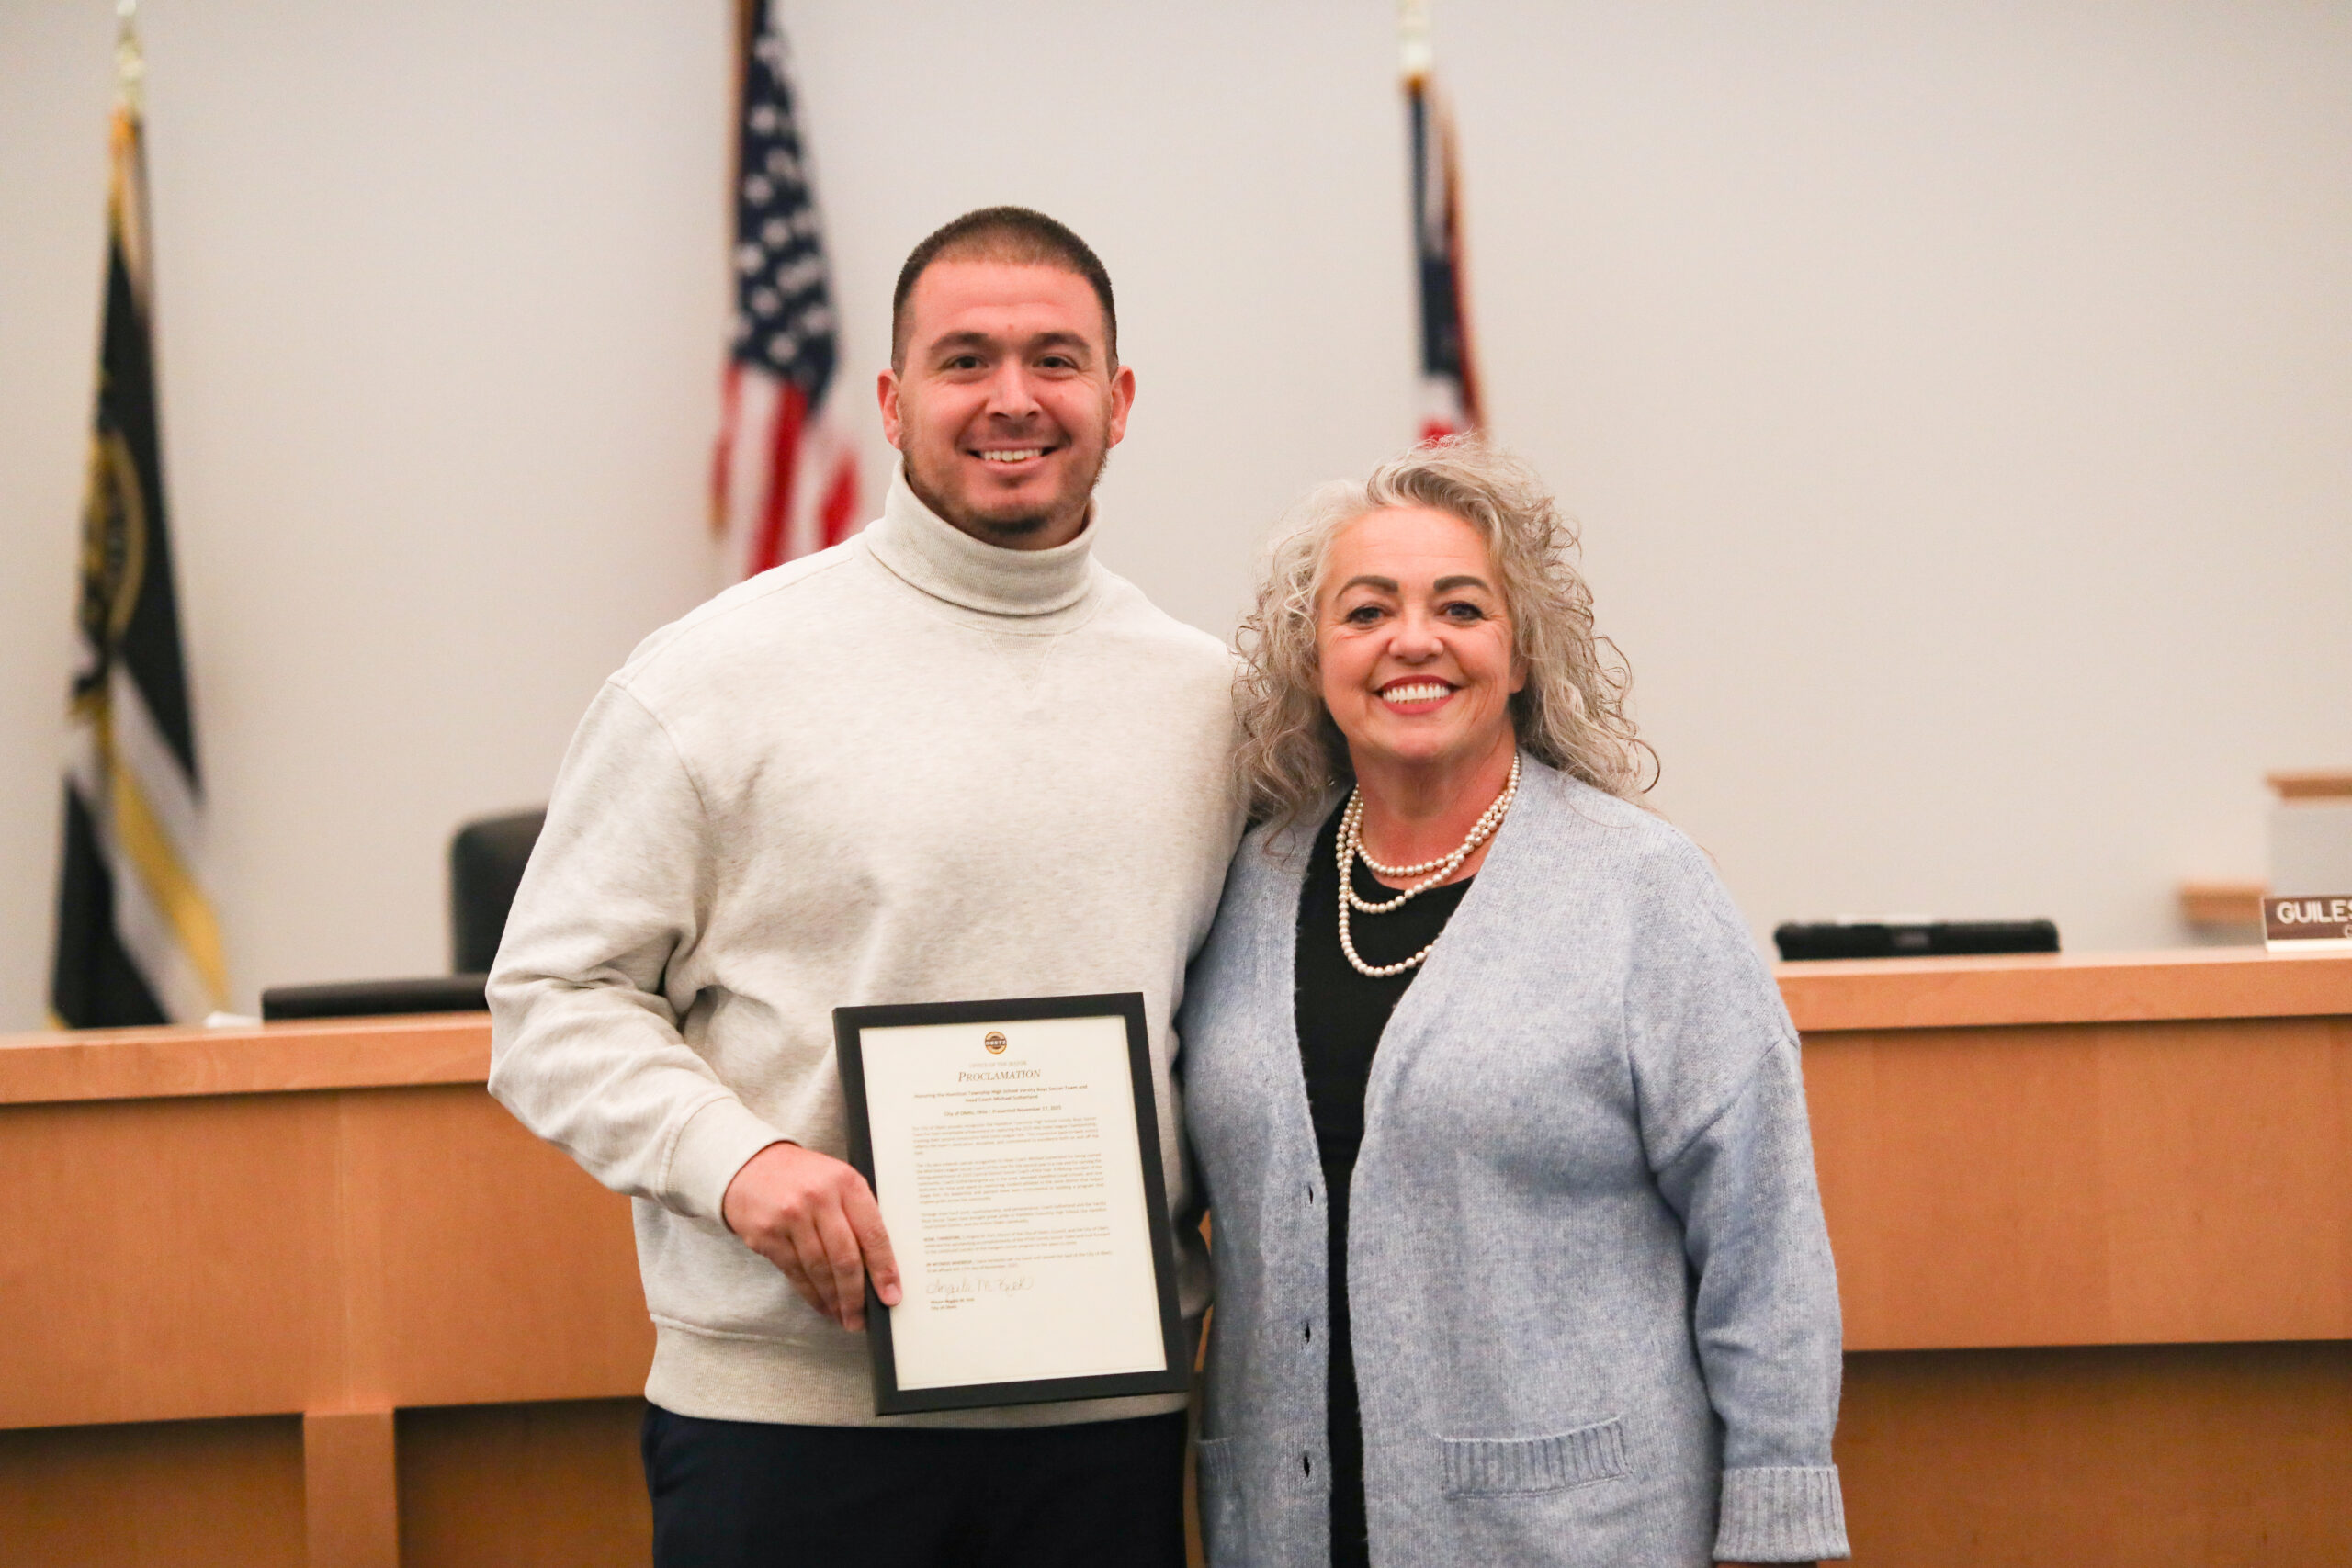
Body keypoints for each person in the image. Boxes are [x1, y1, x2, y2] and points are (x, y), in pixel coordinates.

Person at [488, 207, 1242, 1568]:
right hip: (790, 1430)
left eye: (1055, 359)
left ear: (1118, 401)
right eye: (965, 360)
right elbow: (548, 996)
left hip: (1108, 1425)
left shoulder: (1213, 702)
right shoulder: (713, 675)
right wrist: (742, 1162)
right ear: (893, 402)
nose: (1013, 397)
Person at [1178, 439, 1848, 1568]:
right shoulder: (1241, 888)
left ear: (1521, 649)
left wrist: (1775, 1523)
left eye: (1460, 606)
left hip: (1571, 1532)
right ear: (1314, 656)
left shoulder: (1641, 890)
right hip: (1282, 1531)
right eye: (1366, 611)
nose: (1413, 640)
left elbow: (1762, 1238)